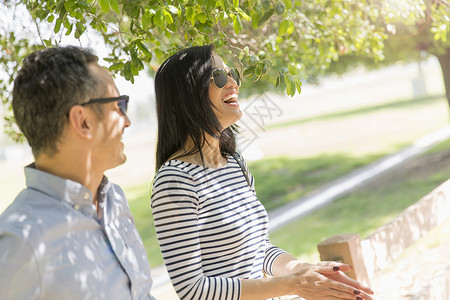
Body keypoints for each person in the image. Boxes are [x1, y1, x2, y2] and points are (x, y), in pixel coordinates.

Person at [150, 45, 375, 300]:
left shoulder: (235, 164)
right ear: (189, 94)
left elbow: (259, 249)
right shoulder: (175, 180)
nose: (233, 83)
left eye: (231, 73)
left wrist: (306, 271)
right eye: (219, 77)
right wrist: (294, 285)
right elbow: (193, 290)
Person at [0, 46, 155, 300]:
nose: (127, 121)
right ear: (83, 122)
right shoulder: (19, 243)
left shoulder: (113, 199)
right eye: (119, 106)